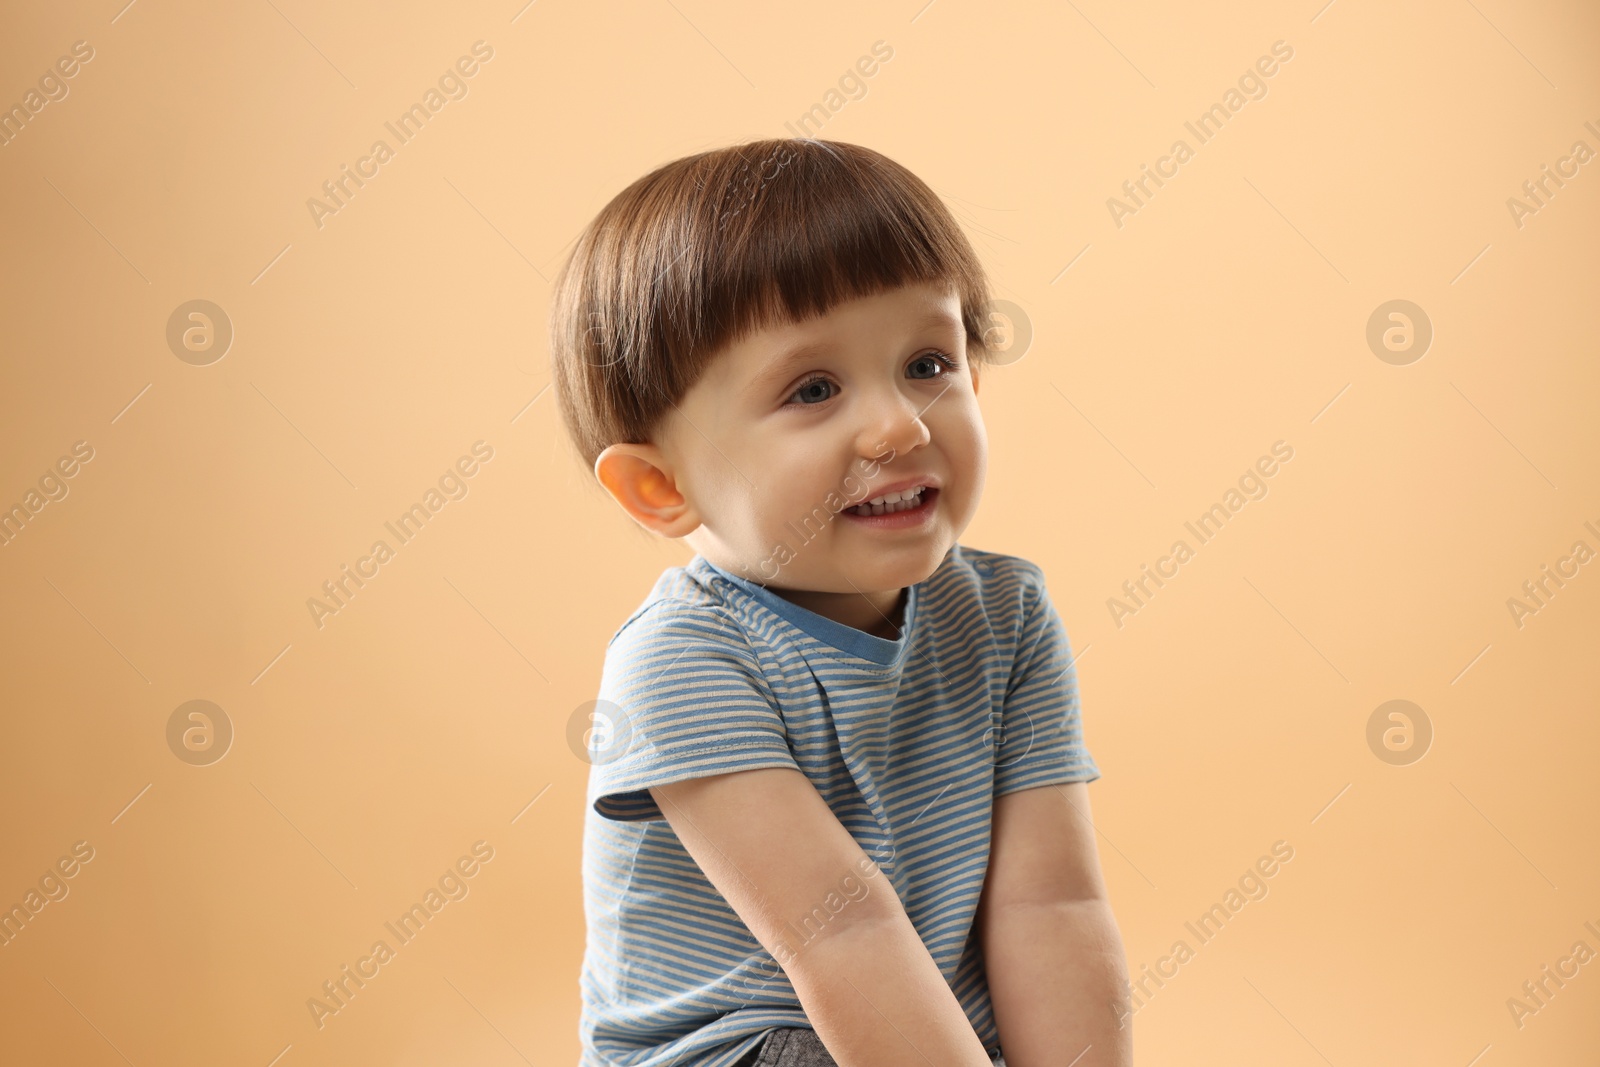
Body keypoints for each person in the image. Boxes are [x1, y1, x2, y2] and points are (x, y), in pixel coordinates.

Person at [551, 137, 1131, 1067]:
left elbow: (1051, 906)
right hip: (742, 1045)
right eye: (814, 388)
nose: (901, 423)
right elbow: (839, 932)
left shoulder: (1007, 616)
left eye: (929, 364)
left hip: (927, 1030)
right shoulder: (685, 658)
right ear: (663, 487)